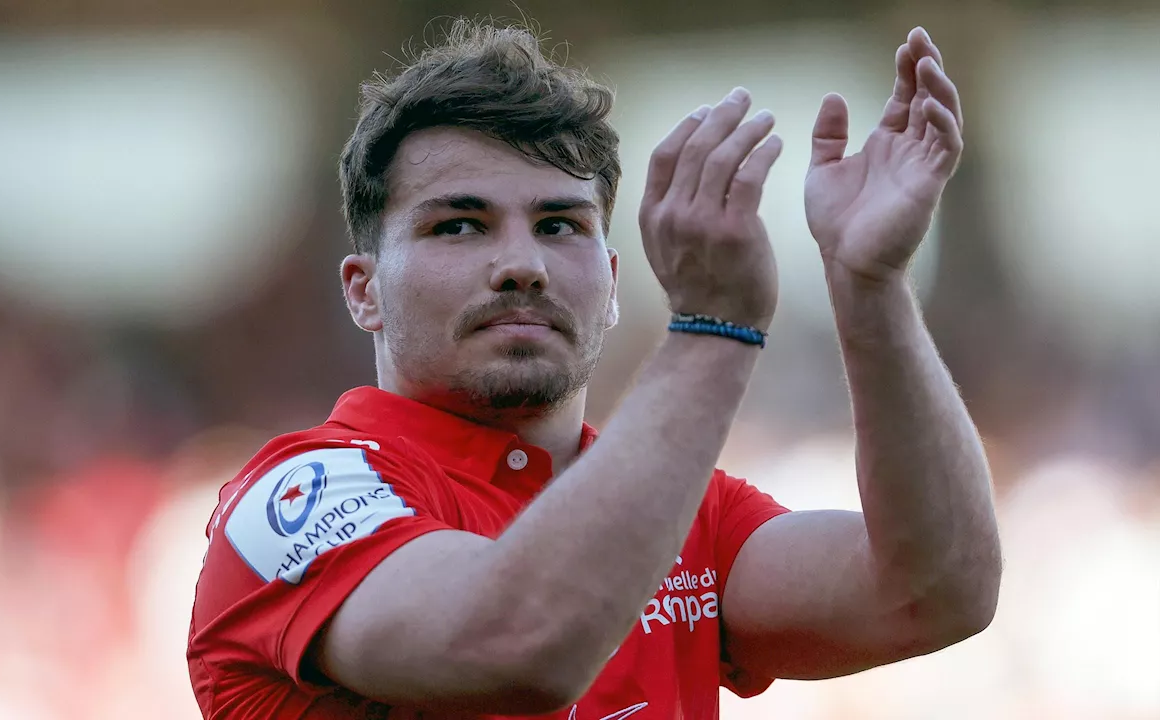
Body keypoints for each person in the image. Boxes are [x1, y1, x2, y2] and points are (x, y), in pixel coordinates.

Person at [187, 18, 1002, 720]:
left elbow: (935, 592)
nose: (522, 264)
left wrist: (872, 287)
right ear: (364, 291)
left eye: (559, 224)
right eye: (459, 227)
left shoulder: (682, 508)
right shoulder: (294, 500)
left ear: (612, 283)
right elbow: (513, 643)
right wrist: (712, 329)